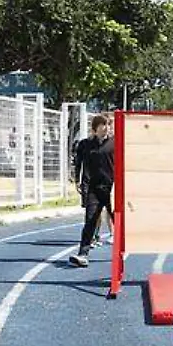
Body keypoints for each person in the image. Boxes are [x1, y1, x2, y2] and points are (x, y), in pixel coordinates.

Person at [69, 114, 114, 267]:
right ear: (95, 128)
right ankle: (83, 253)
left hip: (112, 189)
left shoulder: (115, 143)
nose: (106, 127)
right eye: (103, 125)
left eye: (108, 124)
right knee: (90, 221)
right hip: (94, 189)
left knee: (118, 221)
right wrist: (78, 181)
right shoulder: (85, 144)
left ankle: (122, 252)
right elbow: (78, 164)